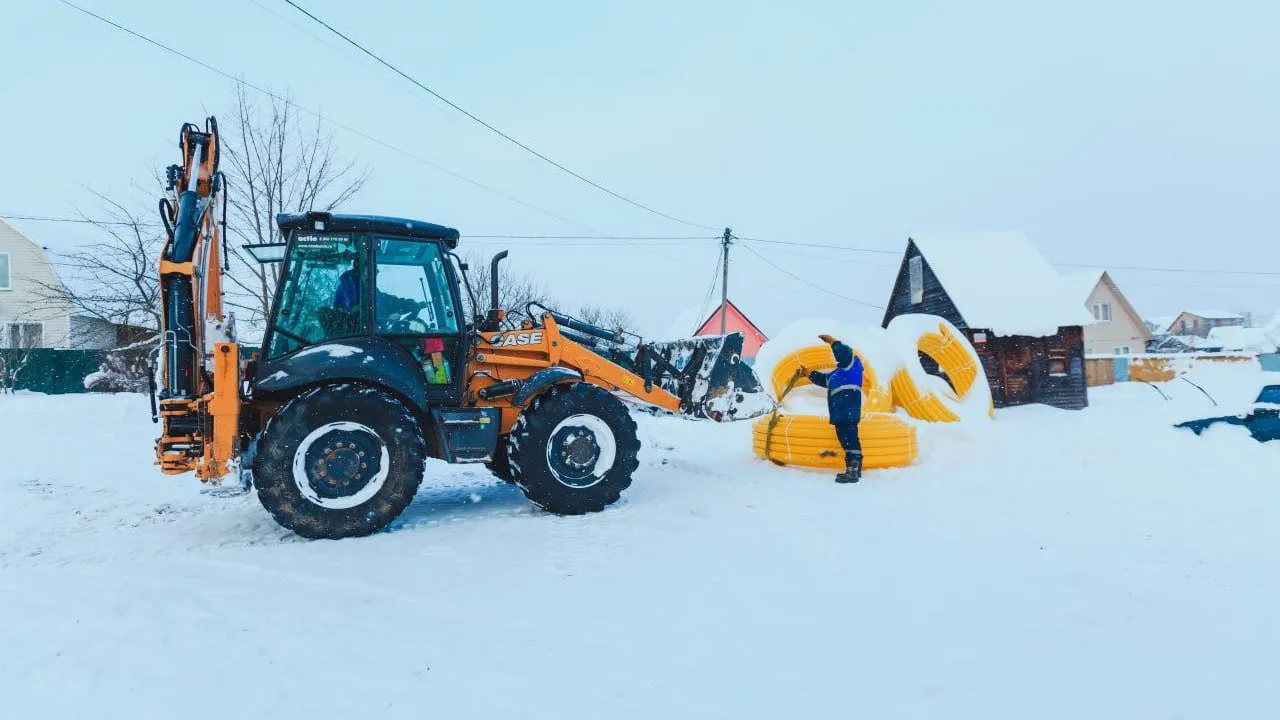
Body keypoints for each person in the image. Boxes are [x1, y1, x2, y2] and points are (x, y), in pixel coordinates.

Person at [805, 334, 864, 483]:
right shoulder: (837, 373)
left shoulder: (851, 365)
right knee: (845, 440)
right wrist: (809, 374)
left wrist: (833, 342)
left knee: (850, 439)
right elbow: (823, 379)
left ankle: (853, 469)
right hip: (839, 413)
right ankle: (853, 468)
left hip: (848, 409)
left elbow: (844, 353)